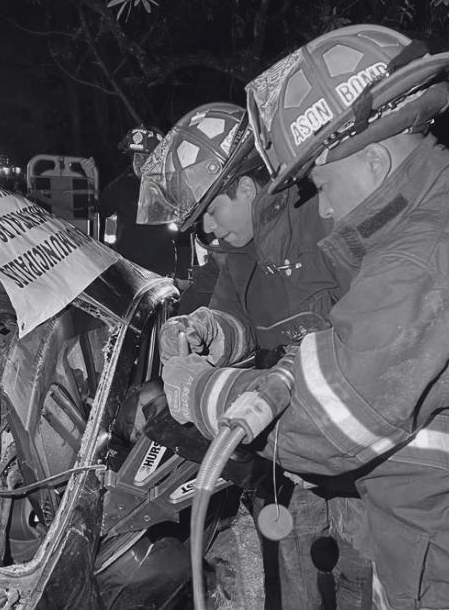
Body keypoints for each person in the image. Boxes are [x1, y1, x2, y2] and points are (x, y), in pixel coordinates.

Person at [163, 24, 449, 610]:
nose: (325, 207)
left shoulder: (427, 259)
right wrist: (214, 333)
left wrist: (198, 390)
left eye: (322, 184)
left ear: (375, 158)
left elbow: (326, 421)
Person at [139, 102, 371, 609]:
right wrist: (207, 329)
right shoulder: (241, 254)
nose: (207, 231)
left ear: (246, 187)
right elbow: (240, 324)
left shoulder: (326, 219)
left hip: (366, 470)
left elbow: (373, 347)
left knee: (363, 584)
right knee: (295, 588)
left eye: (211, 212)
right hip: (295, 464)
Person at [100, 126, 187, 276]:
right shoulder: (119, 187)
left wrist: (183, 273)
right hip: (127, 270)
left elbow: (185, 236)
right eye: (137, 157)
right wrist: (89, 179)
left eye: (146, 158)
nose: (140, 163)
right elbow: (100, 210)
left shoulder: (173, 189)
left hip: (162, 272)